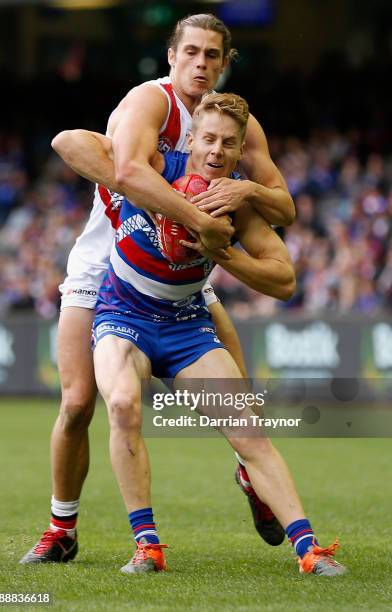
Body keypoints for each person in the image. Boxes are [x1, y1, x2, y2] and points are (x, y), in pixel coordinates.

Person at [20, 14, 294, 565]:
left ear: (224, 62)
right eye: (191, 52)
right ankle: (61, 527)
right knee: (77, 403)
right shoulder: (151, 102)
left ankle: (251, 476)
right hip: (111, 257)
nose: (201, 63)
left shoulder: (237, 121)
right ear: (172, 57)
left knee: (239, 395)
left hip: (182, 263)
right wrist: (199, 219)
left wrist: (242, 188)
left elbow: (284, 206)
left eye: (212, 55)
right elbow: (122, 171)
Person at [57, 92, 345, 576]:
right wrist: (144, 195)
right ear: (191, 137)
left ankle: (310, 550)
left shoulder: (236, 199)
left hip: (187, 325)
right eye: (208, 138)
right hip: (122, 314)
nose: (216, 150)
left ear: (238, 153)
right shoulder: (150, 167)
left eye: (228, 144)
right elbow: (66, 141)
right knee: (123, 403)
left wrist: (224, 249)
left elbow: (284, 280)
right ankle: (146, 545)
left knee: (249, 432)